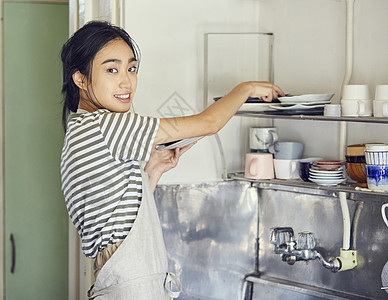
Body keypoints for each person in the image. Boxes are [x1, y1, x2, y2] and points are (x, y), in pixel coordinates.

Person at [60, 21, 284, 299]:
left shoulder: (82, 129)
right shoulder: (105, 125)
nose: (126, 81)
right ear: (80, 78)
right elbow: (209, 122)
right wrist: (245, 88)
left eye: (131, 68)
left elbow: (116, 216)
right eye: (111, 69)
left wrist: (152, 171)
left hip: (124, 283)